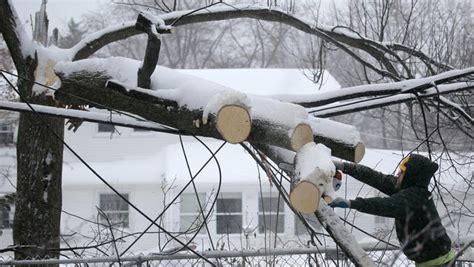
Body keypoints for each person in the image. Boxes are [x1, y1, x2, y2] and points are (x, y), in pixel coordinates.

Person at [329, 154, 455, 267]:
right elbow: (375, 178)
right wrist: (345, 167)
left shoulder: (415, 197)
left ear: (411, 175)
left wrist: (351, 203)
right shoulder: (406, 188)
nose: (398, 174)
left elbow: (384, 205)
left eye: (402, 171)